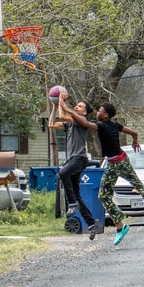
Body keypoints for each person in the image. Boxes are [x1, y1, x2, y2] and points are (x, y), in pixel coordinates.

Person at [62, 101, 144, 246]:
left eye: (99, 111)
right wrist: (135, 141)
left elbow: (85, 124)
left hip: (114, 164)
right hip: (123, 160)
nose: (97, 113)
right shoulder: (116, 125)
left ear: (105, 115)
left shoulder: (101, 126)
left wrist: (69, 111)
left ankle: (120, 225)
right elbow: (134, 132)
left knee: (103, 195)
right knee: (137, 183)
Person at [48, 90, 100, 240]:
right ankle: (91, 223)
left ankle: (71, 203)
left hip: (79, 158)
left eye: (79, 106)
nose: (76, 107)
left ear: (84, 112)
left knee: (63, 173)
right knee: (77, 194)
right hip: (72, 160)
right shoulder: (70, 125)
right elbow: (52, 124)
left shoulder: (80, 120)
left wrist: (62, 102)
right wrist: (53, 107)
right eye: (76, 106)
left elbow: (63, 115)